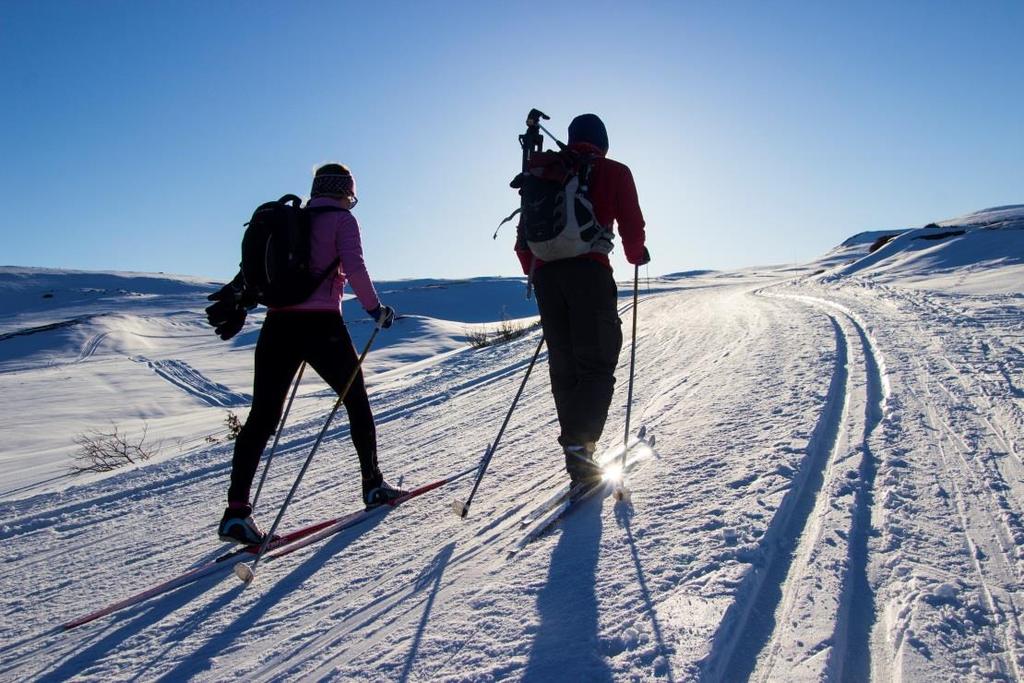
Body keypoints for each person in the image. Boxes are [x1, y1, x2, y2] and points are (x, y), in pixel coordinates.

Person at [207, 163, 403, 545]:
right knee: (356, 402)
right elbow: (355, 266)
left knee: (262, 417)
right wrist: (374, 309)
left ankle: (236, 512)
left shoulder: (289, 220)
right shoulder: (343, 220)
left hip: (277, 326)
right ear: (346, 190)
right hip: (321, 326)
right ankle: (373, 485)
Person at [514, 113, 649, 488]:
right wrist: (636, 255)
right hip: (589, 273)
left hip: (546, 277)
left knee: (565, 365)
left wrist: (541, 269)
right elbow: (632, 226)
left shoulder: (544, 172)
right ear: (602, 141)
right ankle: (579, 448)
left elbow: (522, 239)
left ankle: (576, 452)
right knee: (597, 362)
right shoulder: (612, 171)